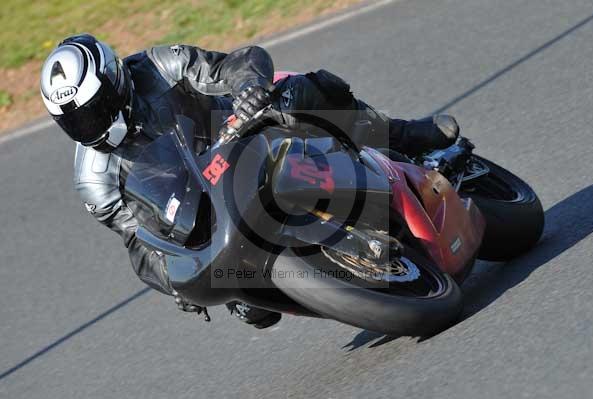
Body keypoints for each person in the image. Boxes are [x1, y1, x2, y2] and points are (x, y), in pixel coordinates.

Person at [40, 34, 459, 329]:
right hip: (205, 210)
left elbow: (233, 64)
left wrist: (250, 90)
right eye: (74, 121)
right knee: (251, 310)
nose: (89, 127)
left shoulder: (158, 66)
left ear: (115, 82)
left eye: (93, 110)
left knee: (307, 92)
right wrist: (174, 283)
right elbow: (138, 243)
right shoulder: (94, 180)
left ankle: (405, 135)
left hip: (246, 133)